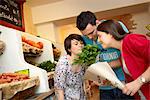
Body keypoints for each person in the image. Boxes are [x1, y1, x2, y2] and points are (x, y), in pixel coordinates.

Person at [76, 11, 134, 100]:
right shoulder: (83, 40)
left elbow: (129, 53)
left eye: (91, 32)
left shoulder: (115, 26)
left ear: (97, 23)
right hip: (104, 88)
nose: (90, 37)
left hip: (124, 83)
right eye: (86, 35)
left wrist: (106, 66)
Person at [97, 19, 150, 99]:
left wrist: (139, 82)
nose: (98, 40)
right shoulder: (122, 52)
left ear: (110, 34)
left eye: (100, 36)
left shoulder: (130, 40)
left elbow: (138, 81)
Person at [54, 34, 86, 100]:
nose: (80, 45)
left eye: (81, 43)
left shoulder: (83, 61)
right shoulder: (63, 63)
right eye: (76, 44)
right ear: (69, 49)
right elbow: (59, 88)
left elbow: (83, 82)